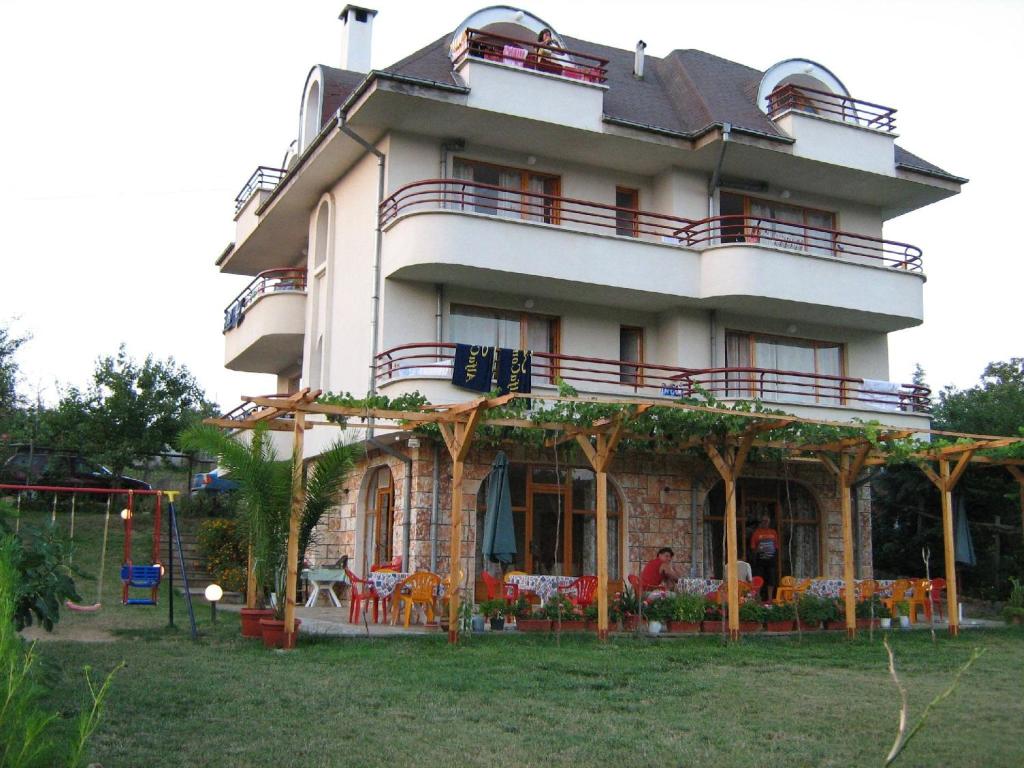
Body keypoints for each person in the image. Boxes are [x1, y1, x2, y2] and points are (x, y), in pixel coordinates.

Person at [749, 516, 780, 601]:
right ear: (761, 522)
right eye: (763, 521)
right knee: (759, 578)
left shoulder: (773, 532)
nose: (765, 522)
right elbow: (752, 548)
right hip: (760, 560)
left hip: (771, 559)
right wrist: (757, 551)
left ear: (769, 522)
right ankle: (758, 598)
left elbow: (776, 546)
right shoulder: (757, 533)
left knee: (771, 578)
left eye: (767, 521)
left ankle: (770, 599)